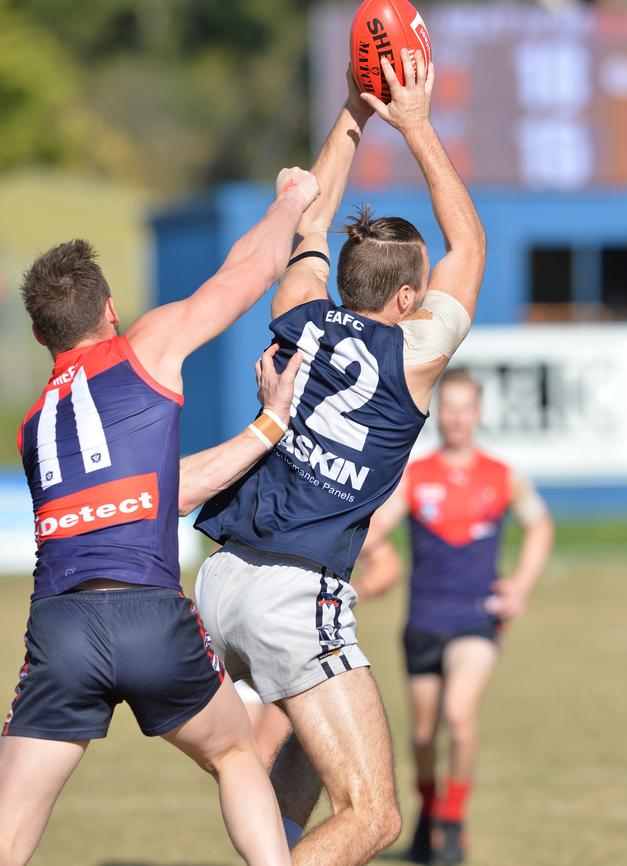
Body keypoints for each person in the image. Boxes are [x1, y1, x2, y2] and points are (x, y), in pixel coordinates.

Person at [192, 53, 486, 866]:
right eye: (419, 293)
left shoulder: (298, 311)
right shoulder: (416, 352)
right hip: (296, 589)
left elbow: (310, 220)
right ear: (403, 302)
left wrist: (354, 112)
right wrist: (416, 123)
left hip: (222, 582)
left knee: (301, 758)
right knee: (376, 817)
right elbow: (469, 239)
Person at [0, 166, 320, 866]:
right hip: (150, 612)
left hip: (61, 628)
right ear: (108, 309)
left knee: (11, 826)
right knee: (237, 754)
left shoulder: (32, 426)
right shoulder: (145, 346)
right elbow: (249, 271)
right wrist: (293, 200)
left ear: (38, 333)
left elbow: (154, 492)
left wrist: (267, 428)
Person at [356, 369, 555, 865]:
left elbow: (540, 526)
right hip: (424, 620)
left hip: (476, 621)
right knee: (424, 735)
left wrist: (520, 586)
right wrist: (372, 555)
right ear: (438, 413)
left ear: (479, 414)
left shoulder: (502, 475)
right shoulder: (416, 475)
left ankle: (453, 820)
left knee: (459, 715)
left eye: (466, 409)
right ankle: (428, 811)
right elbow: (376, 527)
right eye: (449, 408)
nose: (456, 418)